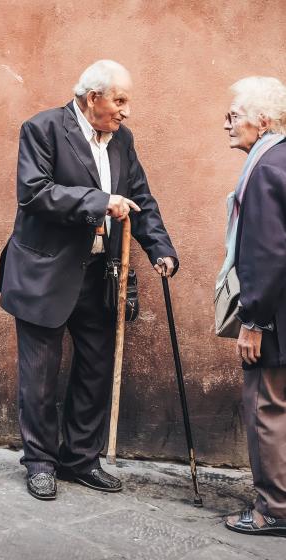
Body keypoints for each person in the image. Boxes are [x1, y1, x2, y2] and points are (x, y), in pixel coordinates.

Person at [0, 60, 178, 500]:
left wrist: (160, 248)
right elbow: (35, 192)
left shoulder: (122, 140)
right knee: (39, 377)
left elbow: (140, 197)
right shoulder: (42, 128)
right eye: (120, 100)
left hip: (100, 275)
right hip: (44, 273)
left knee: (96, 371)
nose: (126, 111)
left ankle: (79, 458)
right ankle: (40, 462)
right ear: (93, 97)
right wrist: (99, 202)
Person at [219, 76, 286, 535]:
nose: (226, 124)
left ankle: (274, 510)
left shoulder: (265, 168)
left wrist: (254, 321)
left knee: (267, 408)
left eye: (234, 115)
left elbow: (267, 251)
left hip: (275, 315)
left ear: (262, 121)